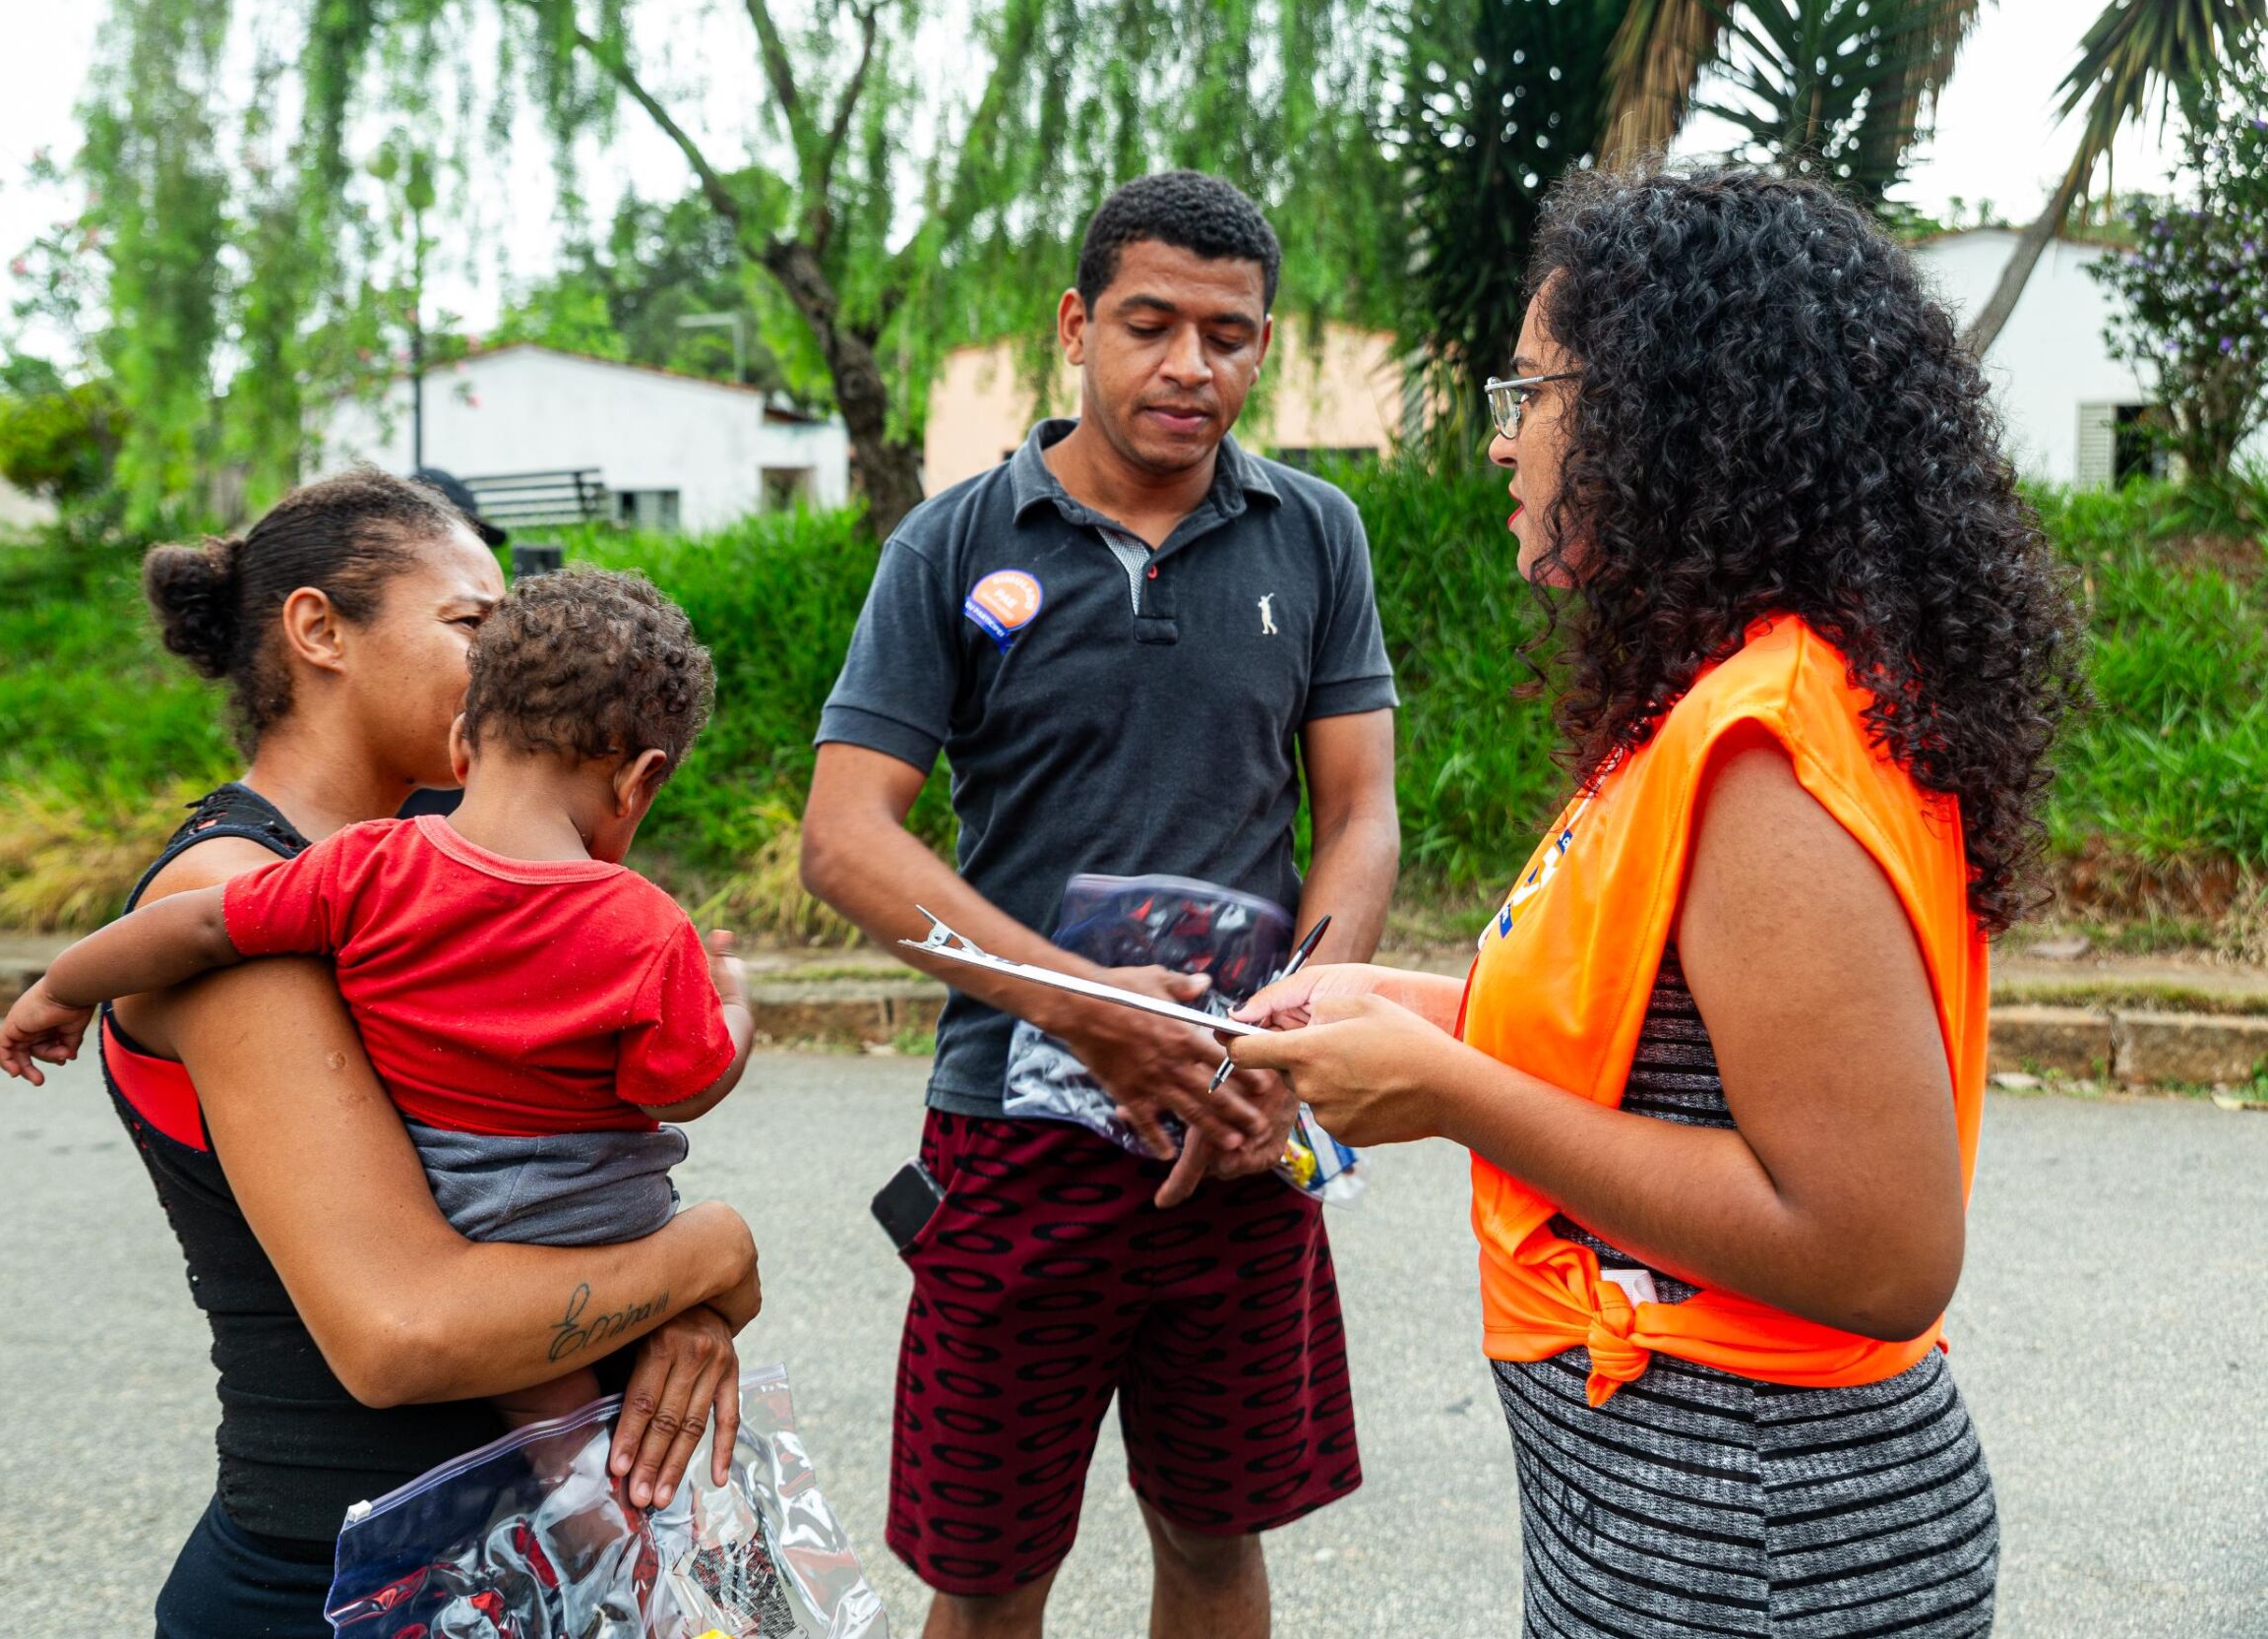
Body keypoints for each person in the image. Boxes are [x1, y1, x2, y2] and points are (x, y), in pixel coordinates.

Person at [1228, 165, 2078, 1638]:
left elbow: (1879, 1249)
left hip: (1764, 1544)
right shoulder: (1716, 702)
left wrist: (1446, 1087)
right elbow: (1660, 1050)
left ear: (1665, 420)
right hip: (1677, 1517)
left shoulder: (1769, 747)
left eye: (1531, 392)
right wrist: (1407, 1007)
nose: (1507, 443)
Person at [801, 170, 1401, 1639]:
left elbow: (1362, 812)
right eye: (1150, 323)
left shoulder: (1314, 533)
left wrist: (1287, 1046)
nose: (1191, 365)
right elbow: (846, 840)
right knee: (991, 1567)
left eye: (1231, 333)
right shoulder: (948, 546)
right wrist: (1089, 1009)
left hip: (1238, 1132)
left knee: (1213, 1538)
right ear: (1078, 325)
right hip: (1011, 1138)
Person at [56, 468, 762, 1639]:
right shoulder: (239, 897)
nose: (502, 665)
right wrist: (706, 1252)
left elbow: (562, 1165)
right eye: (471, 627)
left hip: (496, 1560)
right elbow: (404, 1331)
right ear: (319, 630)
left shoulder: (435, 875)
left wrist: (661, 1312)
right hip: (340, 1578)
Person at [0, 565, 755, 1434]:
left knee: (555, 1416)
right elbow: (676, 1085)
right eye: (461, 614)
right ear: (639, 780)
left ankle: (578, 1493)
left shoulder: (364, 867)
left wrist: (60, 985)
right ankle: (603, 1533)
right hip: (593, 1218)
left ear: (464, 742)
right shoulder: (644, 924)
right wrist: (735, 1012)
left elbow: (198, 928)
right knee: (606, 1430)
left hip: (452, 1199)